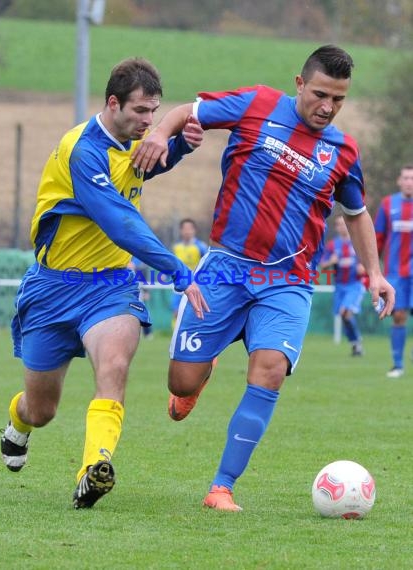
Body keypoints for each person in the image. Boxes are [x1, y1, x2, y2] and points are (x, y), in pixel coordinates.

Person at [132, 45, 395, 512]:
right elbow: (186, 112)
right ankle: (203, 370)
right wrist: (157, 134)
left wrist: (375, 273)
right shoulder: (255, 105)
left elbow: (356, 214)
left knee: (270, 370)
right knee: (180, 383)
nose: (327, 107)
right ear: (299, 83)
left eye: (338, 99)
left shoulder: (343, 151)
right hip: (226, 268)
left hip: (288, 280)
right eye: (319, 94)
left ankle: (222, 487)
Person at [0, 57, 209, 509]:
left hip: (111, 286)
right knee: (42, 409)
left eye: (155, 112)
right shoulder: (82, 149)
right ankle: (18, 424)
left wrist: (181, 147)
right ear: (113, 103)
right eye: (140, 111)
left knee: (113, 368)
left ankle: (94, 468)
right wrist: (176, 269)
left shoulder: (132, 139)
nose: (150, 121)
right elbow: (118, 220)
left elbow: (142, 168)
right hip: (53, 288)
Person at [375, 165, 413, 378]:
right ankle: (397, 364)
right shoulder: (389, 204)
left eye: (412, 178)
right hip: (396, 271)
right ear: (399, 181)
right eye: (406, 177)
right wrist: (370, 266)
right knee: (399, 315)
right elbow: (378, 237)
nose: (409, 182)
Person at [320, 214, 366, 356]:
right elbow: (322, 265)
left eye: (344, 223)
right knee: (344, 316)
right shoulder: (333, 245)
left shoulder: (358, 242)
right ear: (336, 227)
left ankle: (357, 341)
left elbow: (369, 261)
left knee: (345, 312)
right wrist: (331, 262)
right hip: (340, 286)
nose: (342, 227)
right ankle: (355, 344)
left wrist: (364, 268)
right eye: (339, 224)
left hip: (355, 285)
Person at [171, 218, 208, 325]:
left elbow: (206, 264)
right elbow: (171, 263)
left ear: (194, 230)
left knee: (195, 311)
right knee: (176, 312)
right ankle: (176, 336)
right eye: (185, 229)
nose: (187, 231)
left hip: (195, 284)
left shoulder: (201, 247)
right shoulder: (176, 247)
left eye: (190, 228)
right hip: (178, 283)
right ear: (181, 230)